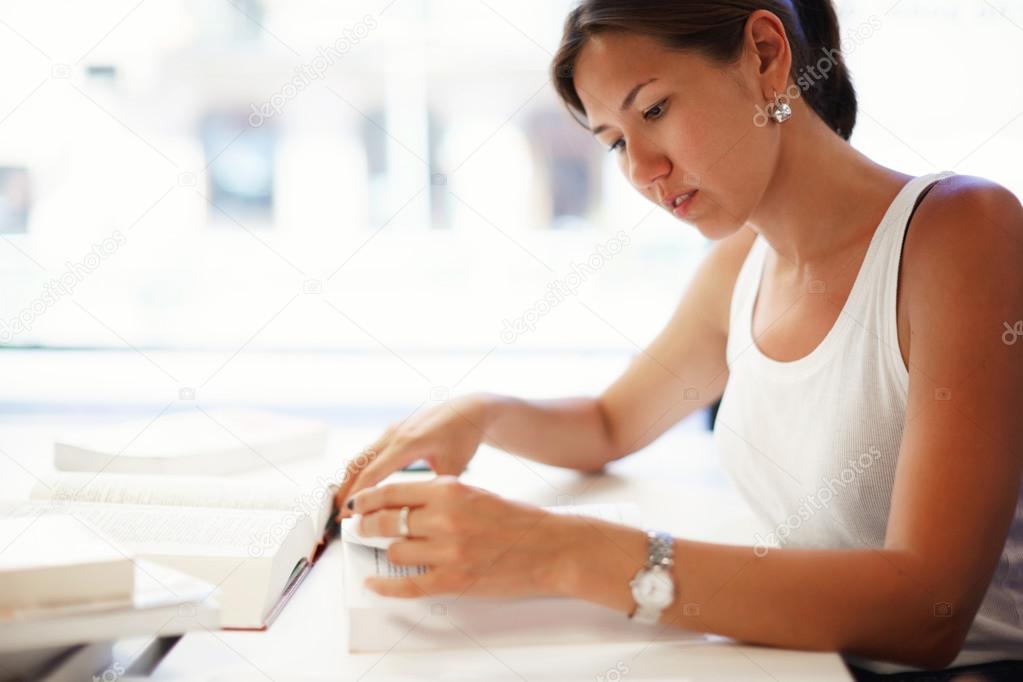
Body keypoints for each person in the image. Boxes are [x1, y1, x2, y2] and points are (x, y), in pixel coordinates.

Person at [335, 1, 1023, 677]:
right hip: (810, 664)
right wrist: (479, 413)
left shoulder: (962, 233)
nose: (639, 170)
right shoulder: (741, 267)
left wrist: (558, 551)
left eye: (655, 110)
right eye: (612, 141)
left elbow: (926, 613)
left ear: (763, 55)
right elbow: (607, 425)